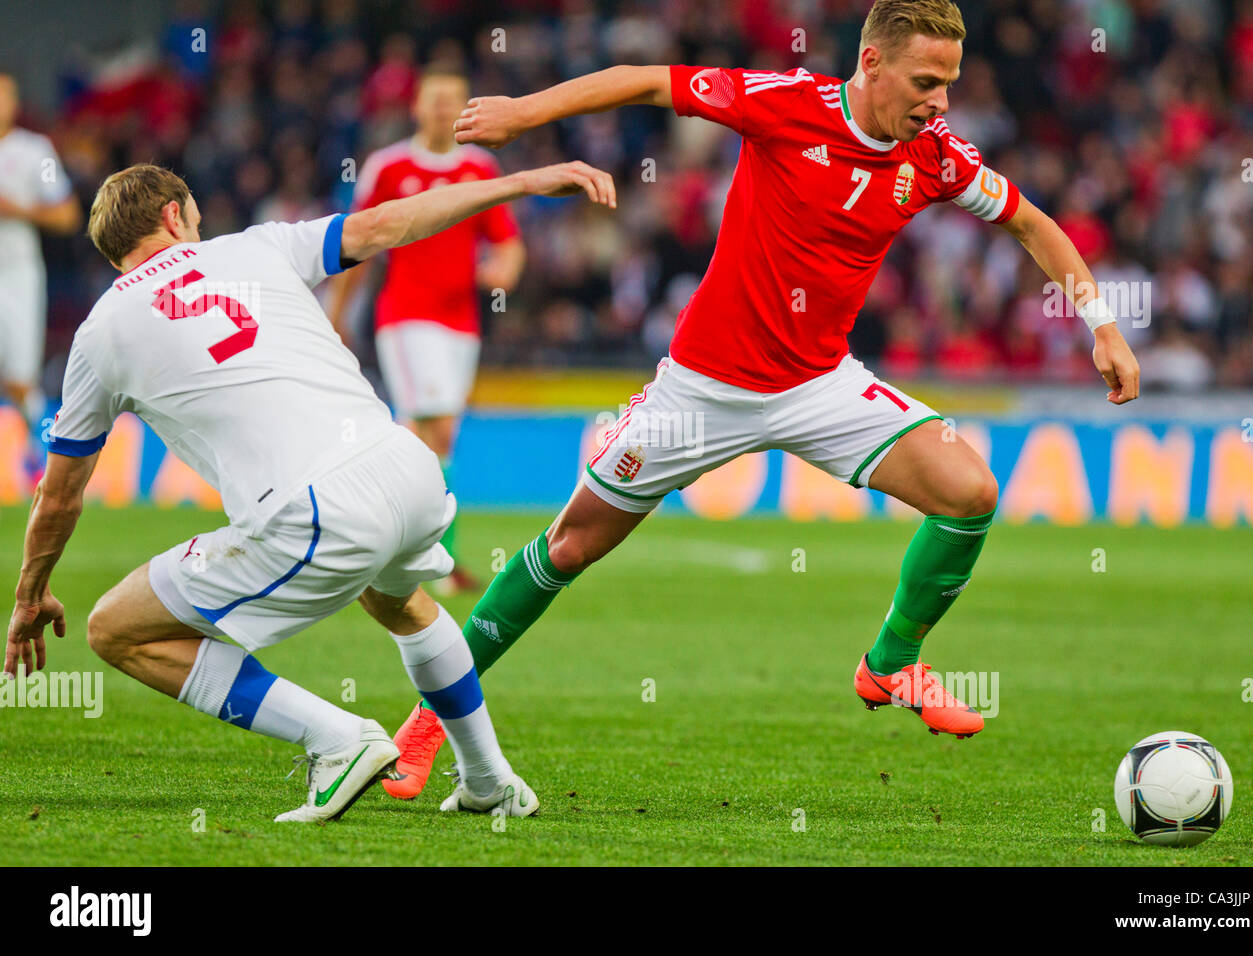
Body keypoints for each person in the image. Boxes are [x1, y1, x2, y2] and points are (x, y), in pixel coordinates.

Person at [383, 0, 1141, 796]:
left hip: (821, 383)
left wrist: (1103, 326)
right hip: (703, 388)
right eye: (926, 81)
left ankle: (890, 663)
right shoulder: (784, 103)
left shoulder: (937, 156)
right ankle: (430, 721)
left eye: (949, 83)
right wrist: (523, 113)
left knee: (970, 491)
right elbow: (647, 82)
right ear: (872, 63)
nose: (940, 101)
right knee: (568, 548)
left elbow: (1033, 224)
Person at [4, 158, 616, 822]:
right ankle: (488, 778)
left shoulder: (100, 333)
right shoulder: (257, 246)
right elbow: (387, 224)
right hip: (407, 470)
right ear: (173, 216)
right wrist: (519, 183)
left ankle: (337, 740)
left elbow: (60, 494)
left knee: (114, 629)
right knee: (400, 604)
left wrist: (31, 592)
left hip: (318, 510)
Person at [328, 64, 525, 596]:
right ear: (416, 107)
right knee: (432, 432)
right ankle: (441, 560)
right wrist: (337, 313)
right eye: (435, 99)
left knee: (431, 437)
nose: (444, 109)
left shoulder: (481, 165)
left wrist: (506, 268)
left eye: (455, 100)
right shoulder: (388, 167)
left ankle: (390, 549)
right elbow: (357, 242)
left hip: (461, 321)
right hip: (406, 316)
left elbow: (506, 239)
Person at [0, 72, 83, 484]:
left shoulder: (36, 153)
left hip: (15, 274)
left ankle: (42, 459)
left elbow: (66, 212)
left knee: (19, 376)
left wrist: (16, 209)